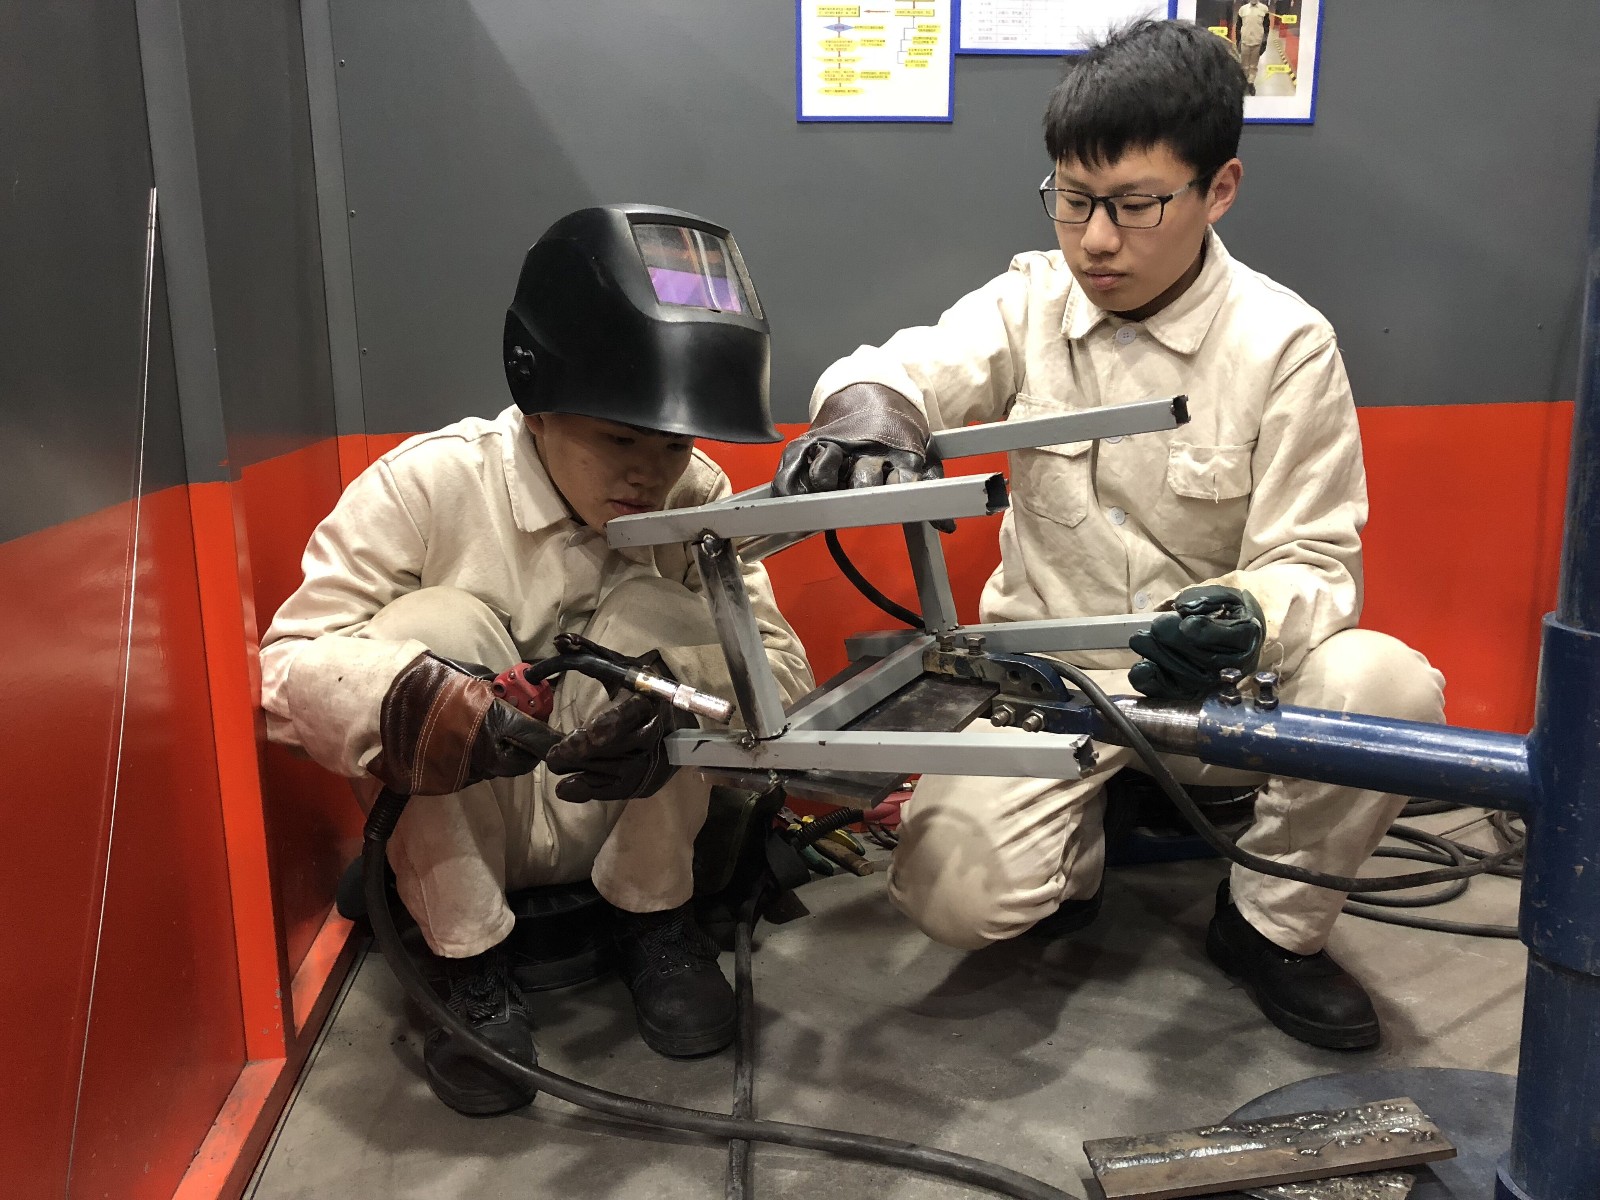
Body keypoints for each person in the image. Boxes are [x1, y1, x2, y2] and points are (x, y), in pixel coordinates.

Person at [773, 20, 1445, 1051]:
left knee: (1389, 690)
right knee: (951, 896)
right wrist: (870, 410)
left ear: (1219, 189)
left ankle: (1268, 927)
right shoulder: (1028, 304)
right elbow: (904, 364)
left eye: (1134, 205)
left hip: (1220, 693)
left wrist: (1245, 616)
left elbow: (1316, 561)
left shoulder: (1285, 345)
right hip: (1052, 688)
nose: (1093, 240)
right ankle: (1076, 850)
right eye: (1073, 200)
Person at [260, 205, 813, 1115]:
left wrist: (674, 704)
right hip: (466, 832)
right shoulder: (427, 486)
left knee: (668, 621)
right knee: (433, 626)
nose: (651, 474)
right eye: (620, 439)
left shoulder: (697, 498)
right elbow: (284, 674)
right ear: (539, 404)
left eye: (673, 445)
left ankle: (655, 919)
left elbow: (780, 670)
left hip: (626, 820)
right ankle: (464, 961)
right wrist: (407, 702)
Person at [1235, 0, 1273, 94]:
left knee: (1253, 66)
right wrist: (1238, 41)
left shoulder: (1264, 9)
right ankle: (1244, 83)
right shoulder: (1242, 9)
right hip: (1245, 42)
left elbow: (1266, 27)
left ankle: (1250, 83)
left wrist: (1264, 43)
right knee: (1244, 65)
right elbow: (1238, 26)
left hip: (1257, 42)